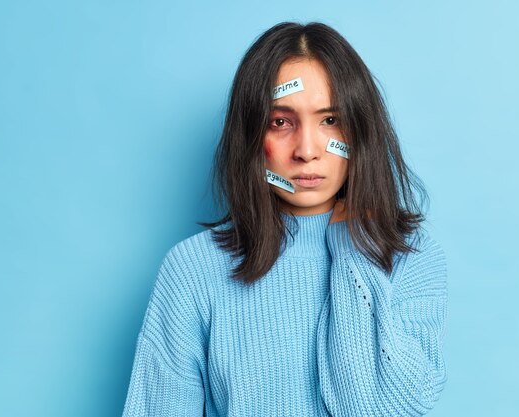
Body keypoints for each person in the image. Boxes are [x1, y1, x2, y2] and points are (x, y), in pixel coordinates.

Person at [122, 21, 448, 417]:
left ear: (360, 130)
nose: (307, 150)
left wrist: (350, 244)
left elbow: (389, 409)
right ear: (251, 135)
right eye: (281, 122)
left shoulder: (410, 258)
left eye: (330, 120)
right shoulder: (193, 269)